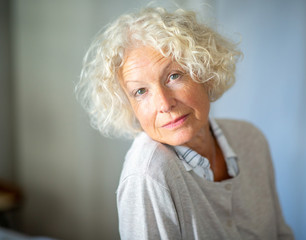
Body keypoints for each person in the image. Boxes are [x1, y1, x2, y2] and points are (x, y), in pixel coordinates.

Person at [76, 7, 294, 240]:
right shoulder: (148, 174)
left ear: (204, 73)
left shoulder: (250, 139)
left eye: (174, 76)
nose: (164, 103)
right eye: (140, 91)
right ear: (129, 106)